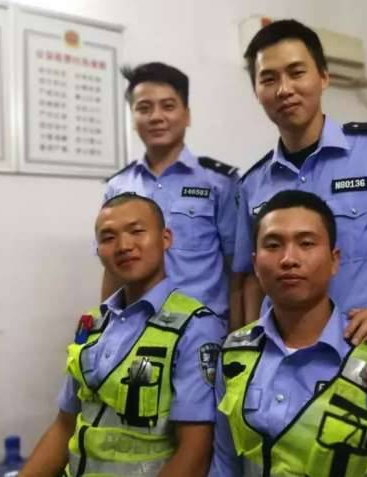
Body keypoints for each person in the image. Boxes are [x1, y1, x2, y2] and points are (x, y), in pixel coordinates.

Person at [233, 19, 367, 343]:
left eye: (296, 72)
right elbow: (252, 278)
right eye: (269, 79)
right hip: (286, 359)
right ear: (256, 92)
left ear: (323, 77)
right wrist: (252, 346)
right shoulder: (252, 185)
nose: (284, 89)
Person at [211, 190, 367, 476]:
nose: (289, 259)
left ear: (335, 260)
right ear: (256, 264)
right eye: (273, 245)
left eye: (306, 243)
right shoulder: (234, 354)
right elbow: (224, 465)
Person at [21, 193, 225, 477]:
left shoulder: (195, 327)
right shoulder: (92, 325)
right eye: (108, 238)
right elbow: (64, 426)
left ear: (165, 238)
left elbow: (195, 453)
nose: (124, 246)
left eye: (137, 231)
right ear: (98, 250)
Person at [102, 62, 241, 326]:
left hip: (202, 330)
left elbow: (238, 270)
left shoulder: (219, 182)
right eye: (144, 108)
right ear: (133, 117)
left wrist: (238, 337)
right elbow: (112, 269)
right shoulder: (118, 186)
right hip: (136, 329)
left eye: (168, 106)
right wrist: (104, 331)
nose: (156, 117)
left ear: (187, 115)